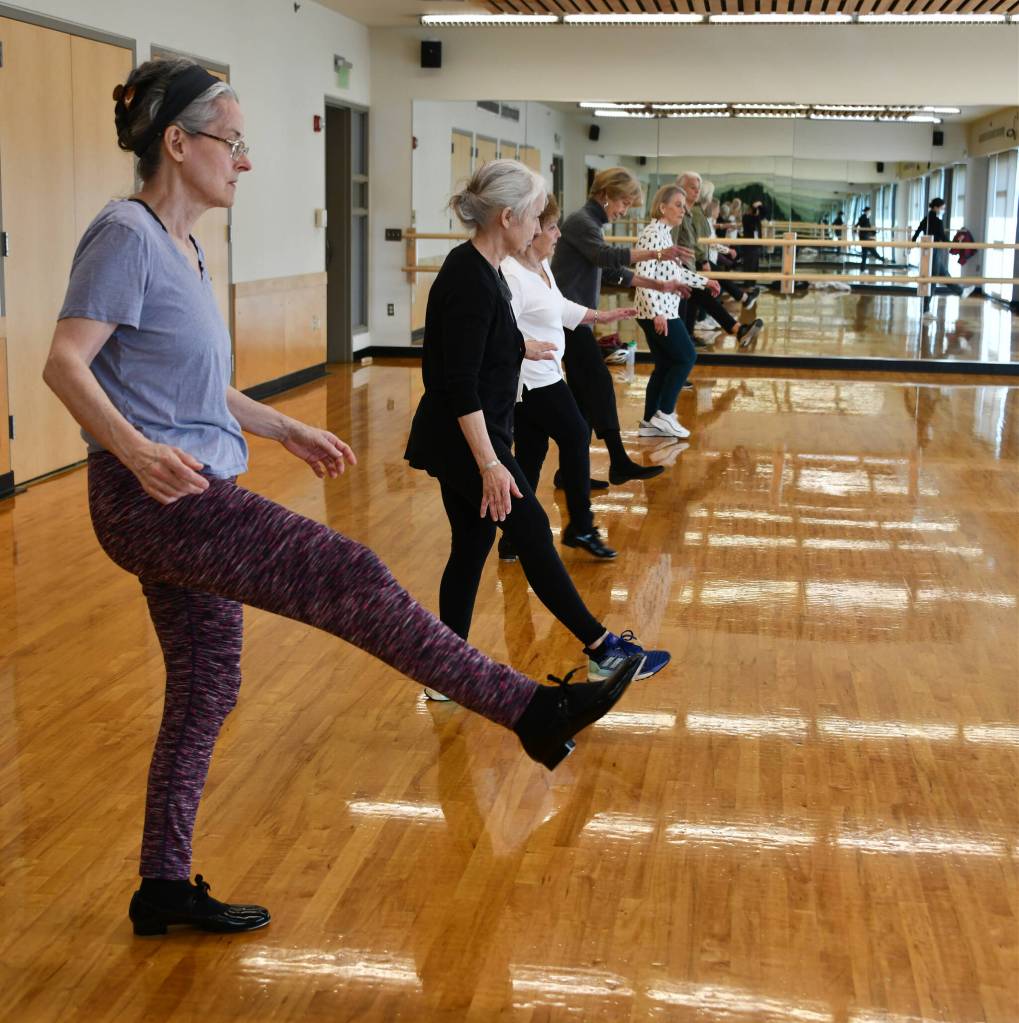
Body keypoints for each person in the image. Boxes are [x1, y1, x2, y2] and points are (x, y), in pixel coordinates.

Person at [42, 59, 644, 937]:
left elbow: (189, 388)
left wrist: (280, 428)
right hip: (159, 497)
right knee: (349, 571)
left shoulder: (183, 245)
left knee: (208, 682)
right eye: (231, 142)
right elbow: (65, 361)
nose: (242, 160)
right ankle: (528, 707)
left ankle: (161, 885)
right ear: (177, 143)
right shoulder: (125, 234)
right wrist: (134, 451)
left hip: (182, 484)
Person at [404, 159, 671, 703]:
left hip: (472, 435)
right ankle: (602, 650)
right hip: (467, 441)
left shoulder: (485, 269)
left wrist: (518, 345)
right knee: (529, 533)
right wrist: (490, 463)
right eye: (533, 217)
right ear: (507, 217)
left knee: (473, 545)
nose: (539, 228)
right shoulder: (472, 277)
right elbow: (455, 382)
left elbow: (472, 347)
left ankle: (442, 670)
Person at [498, 194, 634, 564]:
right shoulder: (512, 273)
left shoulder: (542, 268)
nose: (559, 235)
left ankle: (512, 538)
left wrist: (599, 317)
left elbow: (559, 307)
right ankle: (581, 526)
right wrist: (524, 346)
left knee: (530, 456)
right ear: (533, 231)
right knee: (575, 433)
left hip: (546, 373)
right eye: (553, 228)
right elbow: (501, 326)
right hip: (532, 380)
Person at [551, 168, 692, 486]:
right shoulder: (580, 223)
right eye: (623, 203)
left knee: (583, 399)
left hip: (578, 320)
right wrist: (657, 253)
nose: (623, 211)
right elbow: (606, 257)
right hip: (568, 320)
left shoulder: (590, 225)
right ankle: (618, 462)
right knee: (598, 386)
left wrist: (659, 284)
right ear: (605, 195)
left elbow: (614, 272)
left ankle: (568, 473)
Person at [633, 185, 706, 440]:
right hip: (658, 311)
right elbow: (642, 276)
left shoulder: (665, 235)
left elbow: (676, 273)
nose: (683, 211)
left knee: (664, 365)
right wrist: (657, 313)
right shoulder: (654, 234)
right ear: (662, 207)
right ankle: (664, 414)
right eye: (678, 204)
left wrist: (705, 282)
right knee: (686, 357)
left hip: (660, 310)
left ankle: (649, 422)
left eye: (684, 206)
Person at [674, 173, 763, 350]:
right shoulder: (681, 213)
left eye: (698, 187)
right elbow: (680, 244)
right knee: (700, 300)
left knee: (699, 300)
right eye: (693, 187)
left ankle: (735, 328)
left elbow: (701, 241)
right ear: (681, 189)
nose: (697, 190)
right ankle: (737, 325)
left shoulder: (691, 214)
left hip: (688, 268)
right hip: (682, 269)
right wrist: (704, 261)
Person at [913, 197, 951, 318]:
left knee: (941, 275)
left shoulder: (926, 218)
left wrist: (912, 242)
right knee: (933, 279)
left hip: (926, 250)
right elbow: (944, 238)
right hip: (934, 251)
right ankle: (925, 310)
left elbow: (918, 230)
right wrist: (954, 245)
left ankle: (960, 290)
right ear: (936, 207)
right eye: (942, 208)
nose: (943, 210)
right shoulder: (937, 221)